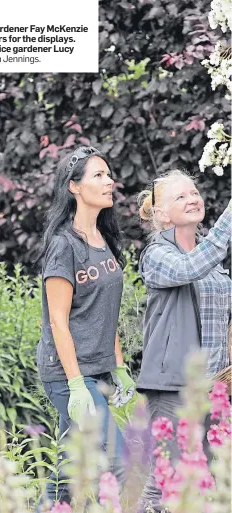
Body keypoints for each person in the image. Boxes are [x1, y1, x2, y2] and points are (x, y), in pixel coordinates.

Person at [35, 146, 135, 508]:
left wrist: (119, 366)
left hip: (97, 368)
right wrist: (77, 385)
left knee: (66, 472)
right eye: (99, 175)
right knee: (121, 461)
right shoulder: (63, 246)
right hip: (67, 374)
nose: (110, 182)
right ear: (74, 187)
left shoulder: (104, 240)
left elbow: (106, 312)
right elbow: (58, 321)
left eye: (109, 175)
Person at [135, 169, 231, 513]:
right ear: (161, 214)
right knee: (166, 484)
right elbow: (190, 268)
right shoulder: (158, 256)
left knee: (215, 480)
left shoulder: (212, 257)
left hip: (215, 386)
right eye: (180, 196)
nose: (192, 199)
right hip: (175, 385)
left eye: (194, 192)